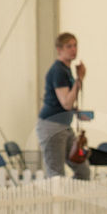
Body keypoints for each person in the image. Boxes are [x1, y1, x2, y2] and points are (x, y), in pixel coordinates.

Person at [35, 31, 91, 180]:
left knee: (83, 170)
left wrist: (76, 111)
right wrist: (79, 80)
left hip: (65, 125)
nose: (73, 49)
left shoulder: (67, 70)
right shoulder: (58, 70)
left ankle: (74, 199)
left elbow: (66, 103)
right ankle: (56, 201)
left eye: (75, 46)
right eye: (69, 46)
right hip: (52, 125)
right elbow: (66, 103)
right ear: (59, 49)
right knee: (56, 174)